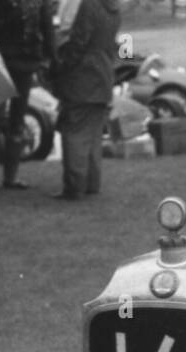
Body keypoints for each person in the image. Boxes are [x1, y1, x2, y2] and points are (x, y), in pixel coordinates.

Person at [0, 0, 58, 189]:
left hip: (25, 61)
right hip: (1, 60)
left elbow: (47, 27)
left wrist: (52, 57)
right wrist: (4, 22)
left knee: (17, 121)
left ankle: (9, 177)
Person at [51, 0, 120, 201]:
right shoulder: (113, 7)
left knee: (74, 134)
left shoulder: (89, 5)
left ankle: (74, 187)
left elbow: (79, 41)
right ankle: (91, 183)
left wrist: (62, 65)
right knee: (93, 137)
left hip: (83, 77)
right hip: (103, 75)